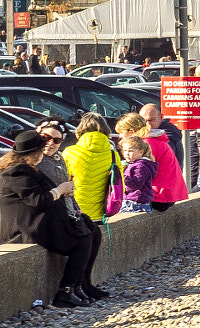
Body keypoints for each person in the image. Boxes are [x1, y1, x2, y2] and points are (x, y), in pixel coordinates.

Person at [1, 130, 104, 307]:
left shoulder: (26, 170)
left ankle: (80, 286)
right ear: (34, 154)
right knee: (81, 241)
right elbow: (39, 200)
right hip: (27, 227)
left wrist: (64, 193)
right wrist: (61, 190)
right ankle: (66, 291)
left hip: (37, 221)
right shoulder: (17, 173)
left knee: (90, 230)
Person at [61, 112, 116, 223]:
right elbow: (120, 184)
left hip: (77, 211)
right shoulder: (113, 155)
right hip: (102, 212)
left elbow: (62, 180)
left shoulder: (69, 152)